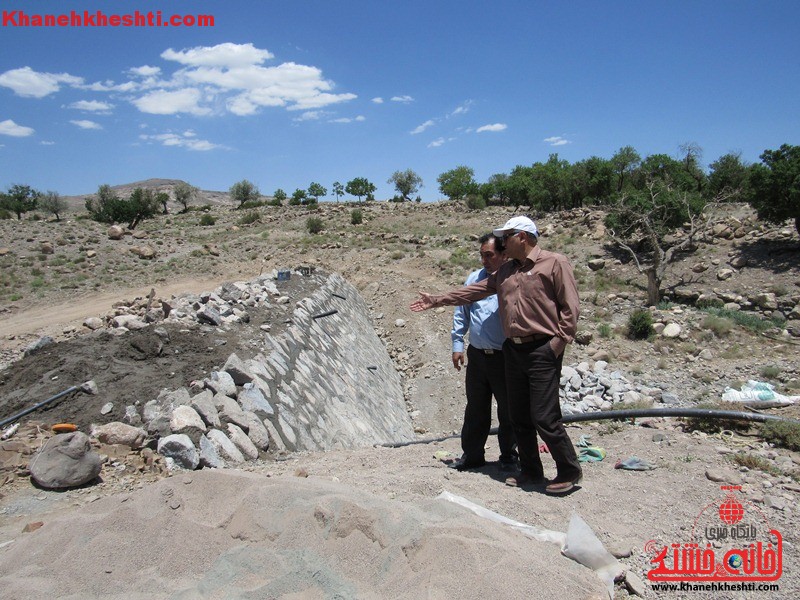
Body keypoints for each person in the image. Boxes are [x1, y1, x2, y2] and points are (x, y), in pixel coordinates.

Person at [410, 216, 582, 495]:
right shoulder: (506, 272)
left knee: (544, 415)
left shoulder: (554, 263)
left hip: (542, 349)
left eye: (506, 238)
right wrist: (438, 299)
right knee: (517, 415)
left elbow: (570, 309)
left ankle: (569, 470)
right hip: (512, 350)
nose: (503, 243)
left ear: (522, 237)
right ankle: (531, 471)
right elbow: (473, 292)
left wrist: (556, 345)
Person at [449, 233, 516, 472]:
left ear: (503, 255)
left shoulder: (511, 279)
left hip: (504, 356)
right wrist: (458, 344)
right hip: (477, 355)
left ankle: (509, 456)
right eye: (481, 255)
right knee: (476, 408)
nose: (484, 260)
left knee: (508, 410)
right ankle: (472, 455)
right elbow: (462, 312)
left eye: (489, 255)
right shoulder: (474, 279)